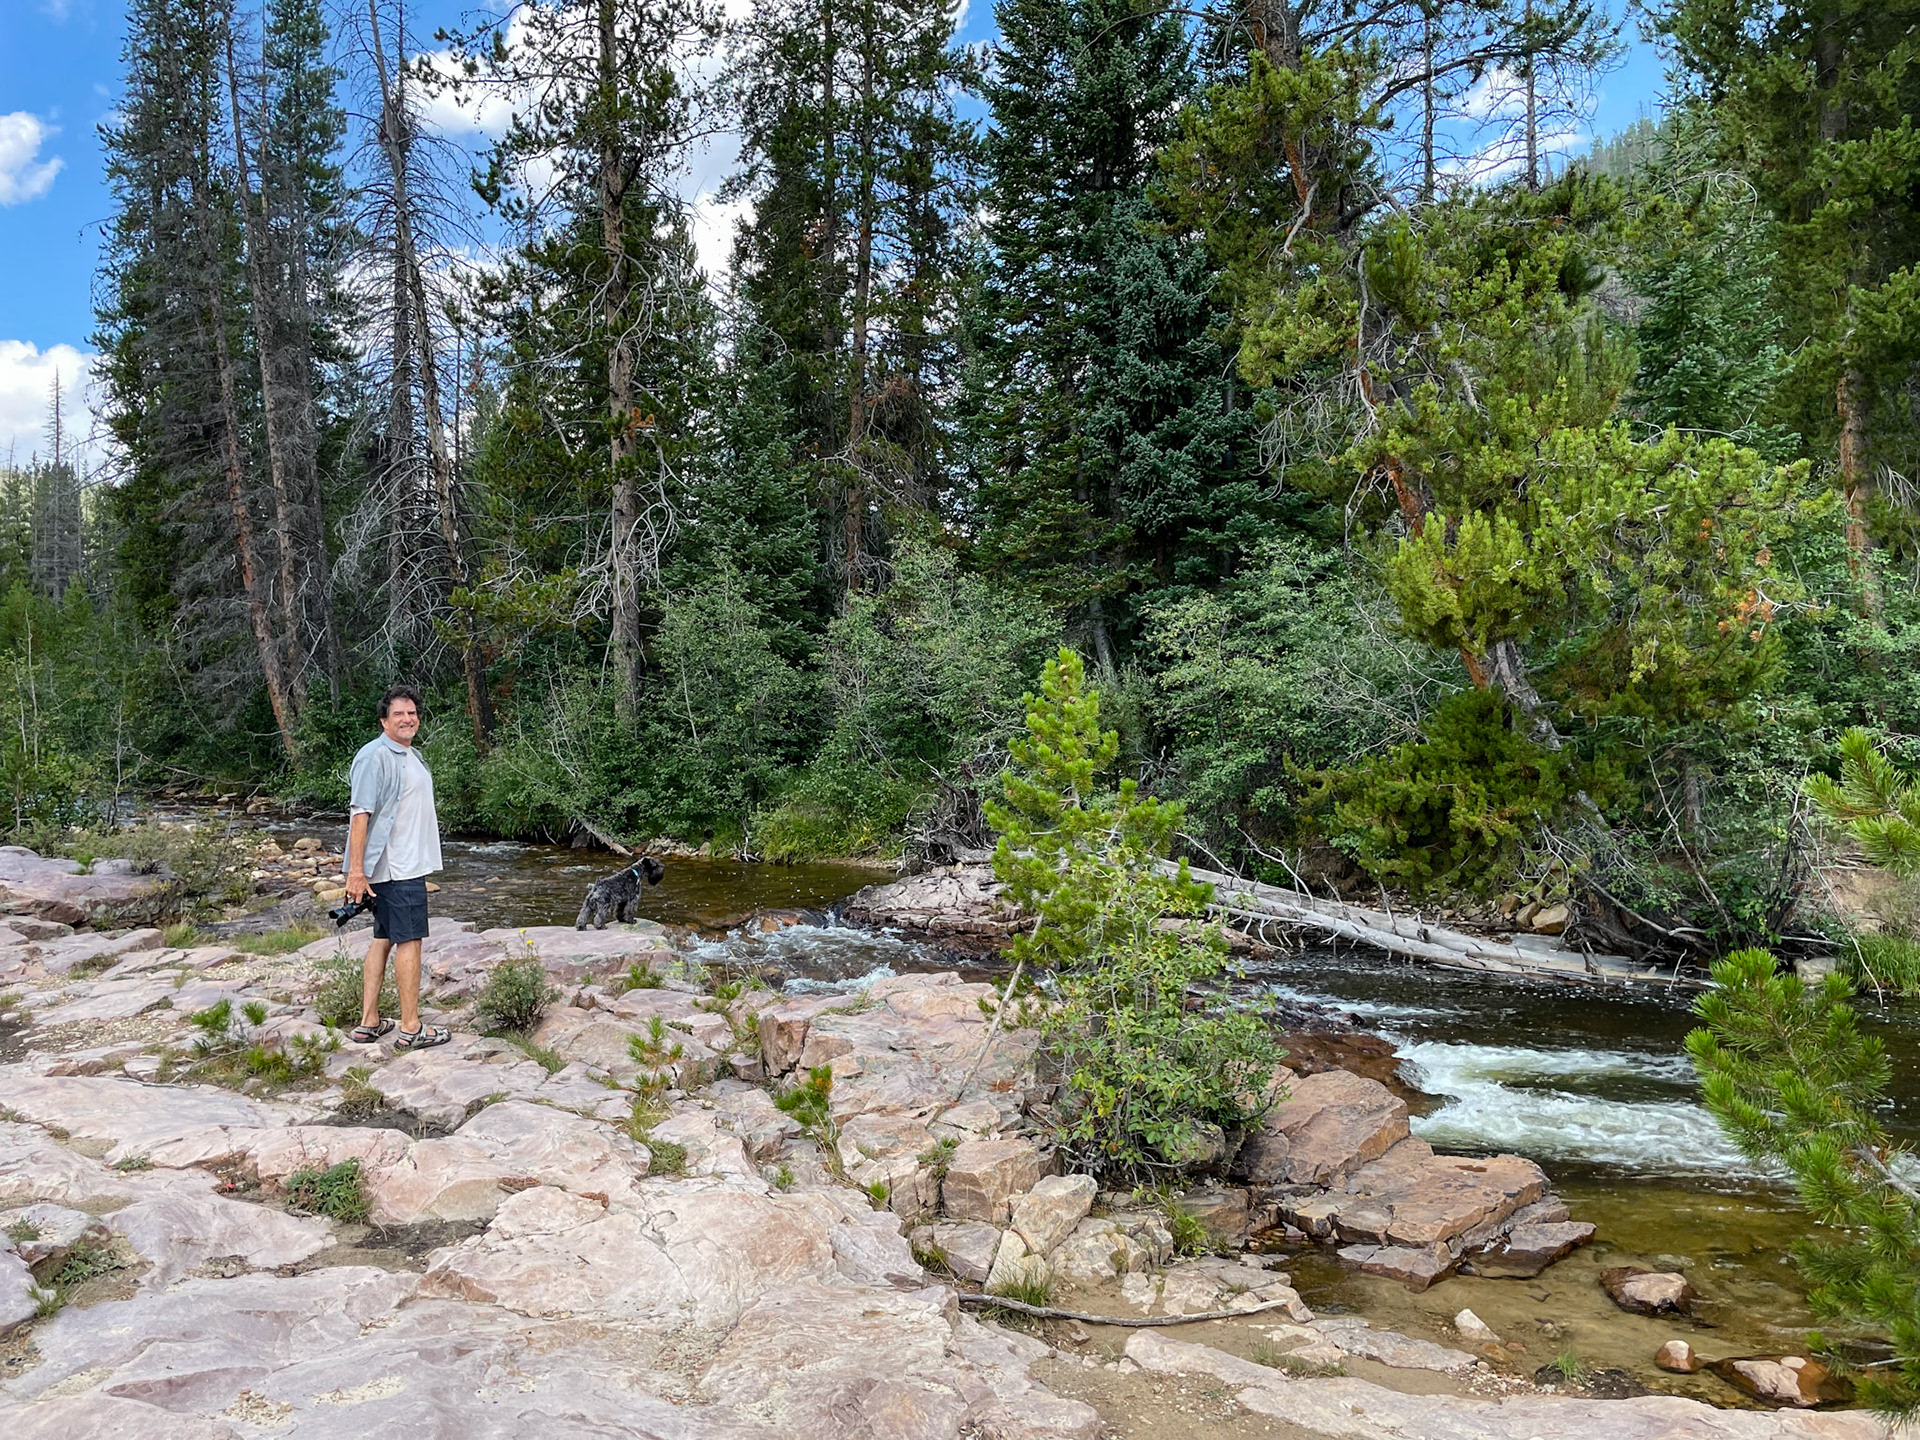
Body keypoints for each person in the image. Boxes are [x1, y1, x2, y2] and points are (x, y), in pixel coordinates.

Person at [344, 684, 451, 1050]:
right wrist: (355, 872)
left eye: (412, 713)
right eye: (399, 714)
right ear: (383, 720)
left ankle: (369, 1022)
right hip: (396, 867)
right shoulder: (375, 756)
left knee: (383, 938)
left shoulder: (408, 754)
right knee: (410, 940)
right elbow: (360, 814)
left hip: (404, 864)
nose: (407, 719)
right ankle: (411, 1028)